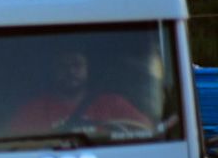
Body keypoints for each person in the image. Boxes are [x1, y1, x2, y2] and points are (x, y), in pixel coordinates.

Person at [10, 49, 150, 134]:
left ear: (88, 69)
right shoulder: (34, 110)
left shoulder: (113, 103)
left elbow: (146, 130)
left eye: (77, 65)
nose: (70, 71)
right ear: (53, 72)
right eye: (63, 66)